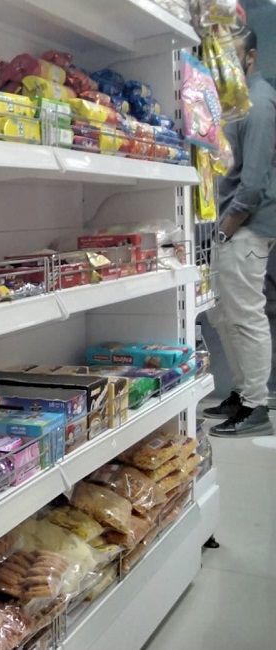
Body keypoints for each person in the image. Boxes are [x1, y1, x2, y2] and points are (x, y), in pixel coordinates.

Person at [205, 26, 276, 437]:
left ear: (250, 57)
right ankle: (242, 394)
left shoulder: (260, 101)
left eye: (232, 56)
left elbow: (254, 182)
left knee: (246, 316)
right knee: (224, 316)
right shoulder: (236, 103)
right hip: (231, 225)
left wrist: (227, 228)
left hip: (245, 226)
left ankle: (256, 407)